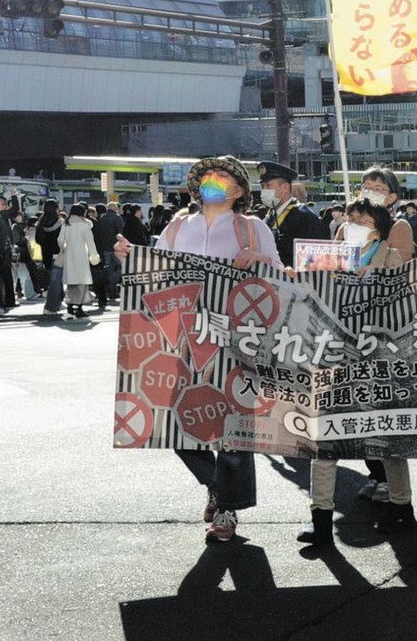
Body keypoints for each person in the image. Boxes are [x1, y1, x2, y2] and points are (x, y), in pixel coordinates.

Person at [115, 155, 281, 543]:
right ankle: (220, 488)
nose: (214, 181)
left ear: (239, 190)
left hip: (235, 339)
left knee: (233, 427)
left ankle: (226, 511)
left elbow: (280, 275)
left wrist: (259, 259)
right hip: (181, 335)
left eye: (223, 176)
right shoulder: (177, 225)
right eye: (209, 176)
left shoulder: (253, 228)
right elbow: (156, 270)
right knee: (172, 422)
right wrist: (132, 256)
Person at [298, 198, 416, 546]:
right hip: (334, 358)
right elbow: (307, 293)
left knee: (388, 436)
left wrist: (376, 279)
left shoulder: (391, 258)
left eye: (362, 220)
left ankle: (401, 506)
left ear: (378, 228)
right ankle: (320, 517)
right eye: (350, 219)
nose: (354, 225)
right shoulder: (331, 256)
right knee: (325, 439)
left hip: (378, 361)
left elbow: (407, 305)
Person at [349, 165, 417, 502]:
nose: (371, 190)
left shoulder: (399, 227)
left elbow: (402, 274)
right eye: (366, 185)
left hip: (385, 326)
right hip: (350, 327)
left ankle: (396, 488)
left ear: (392, 196)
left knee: (384, 407)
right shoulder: (347, 227)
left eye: (379, 187)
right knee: (356, 404)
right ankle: (377, 477)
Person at [257, 161, 329, 268]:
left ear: (285, 187)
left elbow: (312, 262)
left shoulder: (305, 217)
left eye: (268, 185)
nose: (264, 190)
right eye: (262, 186)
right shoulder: (270, 216)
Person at [58, 204, 99, 319]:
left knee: (71, 283)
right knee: (82, 283)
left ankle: (70, 307)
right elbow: (91, 242)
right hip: (82, 255)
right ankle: (79, 308)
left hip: (69, 256)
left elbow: (60, 240)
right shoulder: (85, 225)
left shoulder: (66, 224)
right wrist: (94, 256)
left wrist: (65, 247)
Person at [35, 199, 63, 271]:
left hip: (45, 253)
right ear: (56, 209)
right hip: (58, 254)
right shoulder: (61, 223)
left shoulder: (40, 223)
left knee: (47, 273)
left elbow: (37, 240)